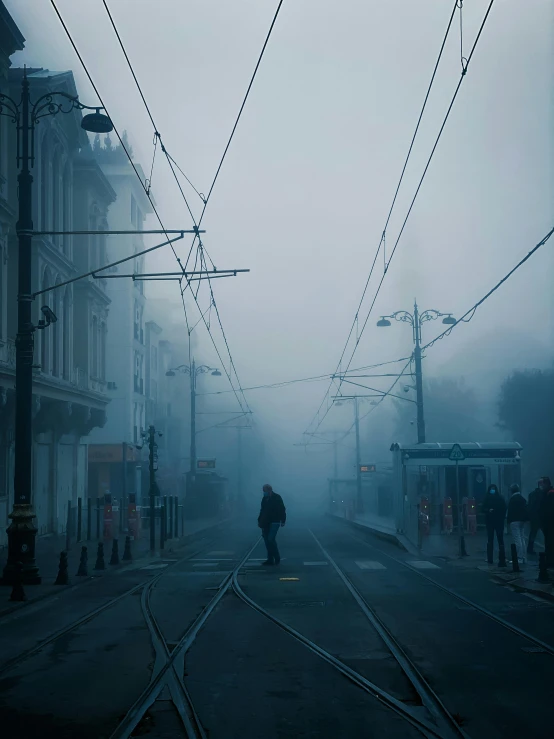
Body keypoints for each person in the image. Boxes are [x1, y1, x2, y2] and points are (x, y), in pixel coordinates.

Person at [258, 484, 286, 566]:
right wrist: (259, 520)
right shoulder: (264, 499)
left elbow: (282, 509)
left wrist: (283, 520)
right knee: (266, 540)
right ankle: (270, 559)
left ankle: (276, 557)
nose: (264, 492)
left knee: (270, 539)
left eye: (265, 490)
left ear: (269, 490)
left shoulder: (277, 497)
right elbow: (262, 510)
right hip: (266, 522)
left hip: (275, 521)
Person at [482, 483, 506, 565]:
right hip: (492, 521)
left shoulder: (499, 498)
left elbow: (504, 508)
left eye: (493, 489)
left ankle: (501, 558)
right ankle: (490, 558)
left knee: (499, 539)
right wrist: (488, 510)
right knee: (491, 539)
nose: (492, 490)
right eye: (491, 489)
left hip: (496, 521)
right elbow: (482, 508)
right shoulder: (488, 498)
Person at [507, 483, 528, 564]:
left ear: (511, 491)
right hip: (522, 521)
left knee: (517, 539)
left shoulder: (513, 499)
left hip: (514, 521)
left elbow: (510, 511)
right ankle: (523, 557)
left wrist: (508, 521)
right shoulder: (522, 498)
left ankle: (519, 558)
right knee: (522, 539)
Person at [527, 479, 546, 556]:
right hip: (540, 517)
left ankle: (530, 548)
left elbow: (530, 506)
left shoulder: (532, 494)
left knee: (533, 533)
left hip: (535, 517)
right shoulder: (544, 494)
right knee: (544, 533)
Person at [539, 477, 554, 568]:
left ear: (547, 484)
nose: (540, 486)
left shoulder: (550, 494)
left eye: (542, 483)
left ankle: (550, 561)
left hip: (550, 523)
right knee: (548, 542)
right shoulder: (545, 493)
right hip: (547, 523)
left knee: (550, 542)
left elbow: (549, 510)